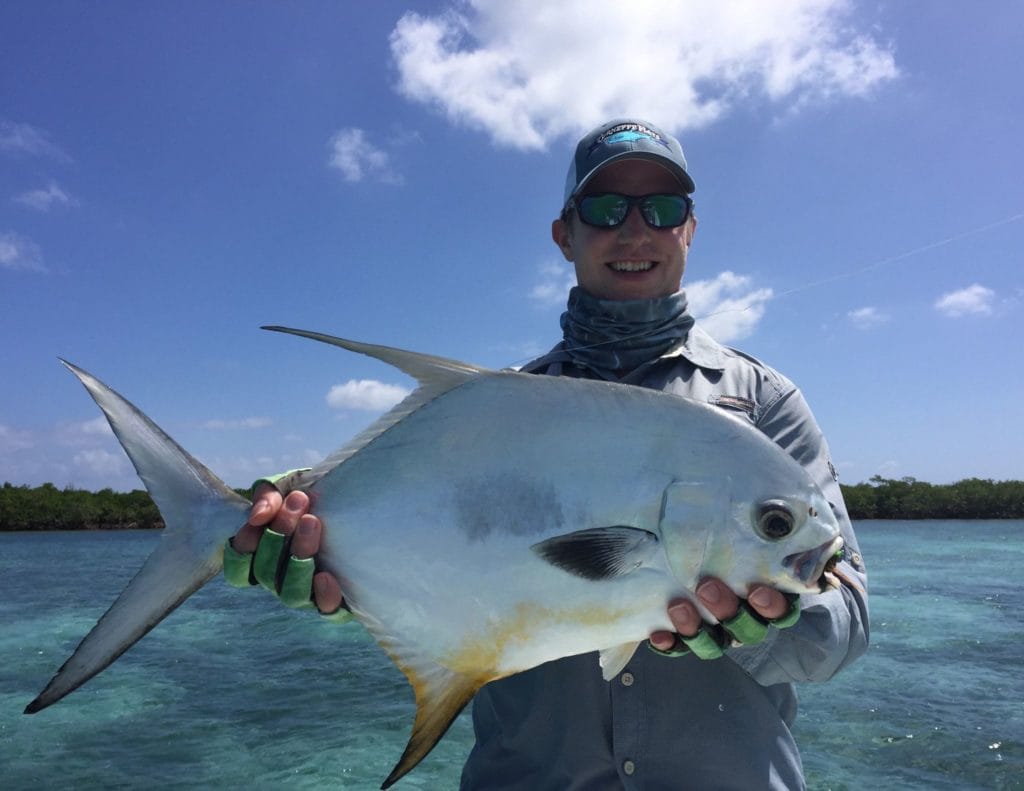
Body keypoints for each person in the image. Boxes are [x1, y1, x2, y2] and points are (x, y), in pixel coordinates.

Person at [227, 119, 869, 789]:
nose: (634, 229)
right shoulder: (491, 410)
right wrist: (316, 527)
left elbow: (845, 629)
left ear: (690, 229)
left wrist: (764, 623)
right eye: (603, 208)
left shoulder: (763, 404)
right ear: (564, 234)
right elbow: (449, 554)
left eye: (663, 208)